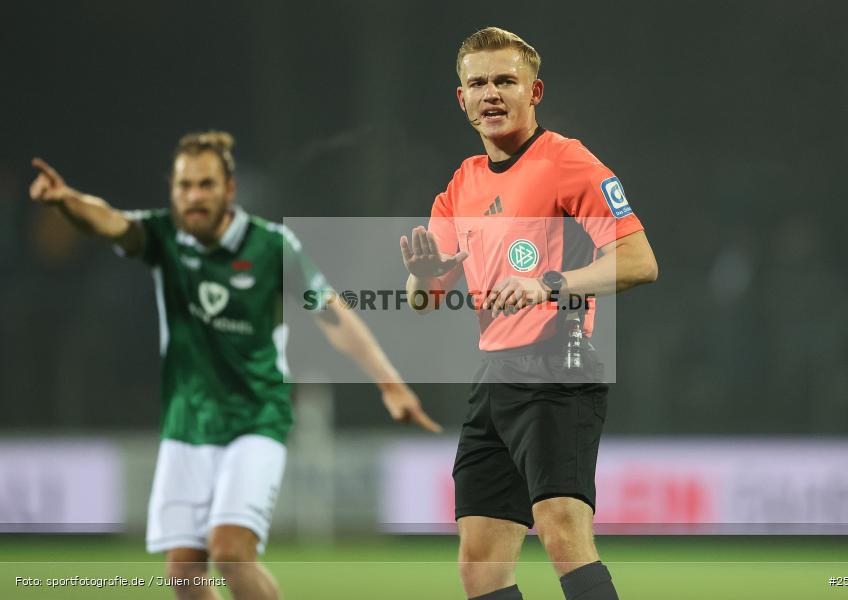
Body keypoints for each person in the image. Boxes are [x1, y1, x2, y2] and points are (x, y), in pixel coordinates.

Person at [29, 131, 441, 600]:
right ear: (173, 190)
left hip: (254, 419)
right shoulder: (164, 238)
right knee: (184, 575)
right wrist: (66, 202)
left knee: (229, 552)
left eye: (206, 184)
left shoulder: (272, 248)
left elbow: (333, 316)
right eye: (185, 186)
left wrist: (389, 383)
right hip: (187, 425)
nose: (194, 196)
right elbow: (110, 222)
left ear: (229, 189)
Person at [400, 28, 658, 600]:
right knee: (480, 563)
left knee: (562, 533)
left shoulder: (568, 161)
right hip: (494, 378)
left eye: (504, 81)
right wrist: (421, 274)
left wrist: (551, 284)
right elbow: (424, 300)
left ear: (534, 90)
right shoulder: (461, 184)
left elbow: (640, 261)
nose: (491, 93)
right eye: (478, 83)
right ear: (460, 99)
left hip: (557, 367)